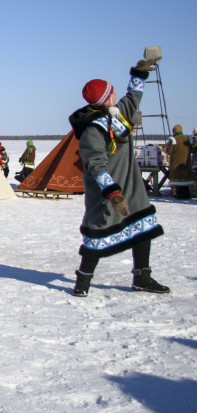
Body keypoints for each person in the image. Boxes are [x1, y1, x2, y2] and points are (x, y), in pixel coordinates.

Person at [67, 57, 169, 297]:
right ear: (105, 98)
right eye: (111, 93)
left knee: (143, 225)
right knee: (97, 231)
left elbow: (133, 97)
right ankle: (82, 282)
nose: (115, 96)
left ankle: (142, 277)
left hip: (131, 185)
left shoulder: (118, 116)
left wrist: (139, 73)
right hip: (108, 192)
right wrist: (112, 193)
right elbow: (96, 165)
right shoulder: (93, 129)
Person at [166, 124, 194, 199]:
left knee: (178, 181)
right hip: (186, 164)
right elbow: (192, 150)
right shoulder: (188, 138)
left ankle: (180, 195)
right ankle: (187, 194)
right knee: (185, 181)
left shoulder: (173, 139)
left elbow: (168, 151)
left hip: (176, 164)